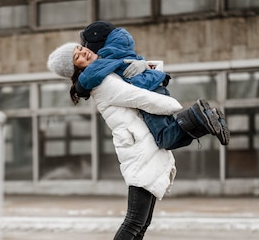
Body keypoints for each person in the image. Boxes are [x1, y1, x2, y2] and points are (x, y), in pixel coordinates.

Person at [47, 41, 189, 240]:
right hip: (138, 153)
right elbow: (142, 98)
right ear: (74, 68)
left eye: (80, 47)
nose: (83, 52)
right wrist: (174, 105)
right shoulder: (103, 82)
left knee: (141, 222)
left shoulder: (103, 74)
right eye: (77, 56)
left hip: (144, 149)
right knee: (134, 221)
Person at [75, 21, 229, 149]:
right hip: (155, 86)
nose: (85, 52)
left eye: (84, 48)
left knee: (164, 139)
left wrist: (79, 87)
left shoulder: (106, 57)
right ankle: (209, 121)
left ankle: (197, 115)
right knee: (172, 136)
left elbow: (89, 77)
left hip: (147, 90)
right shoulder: (121, 47)